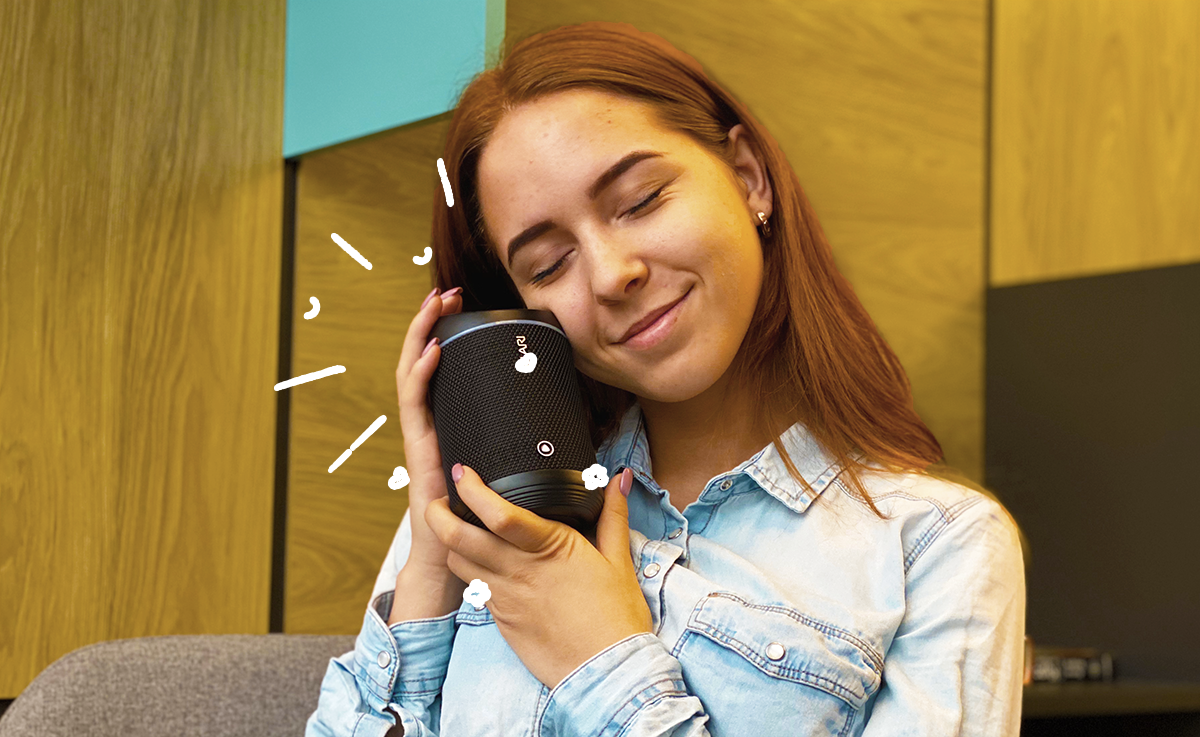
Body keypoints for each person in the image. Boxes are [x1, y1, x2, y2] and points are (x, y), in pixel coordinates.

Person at [306, 20, 1027, 737]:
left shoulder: (939, 549)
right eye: (549, 265)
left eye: (641, 200)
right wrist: (433, 559)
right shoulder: (482, 508)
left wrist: (600, 661)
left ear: (748, 177)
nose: (611, 274)